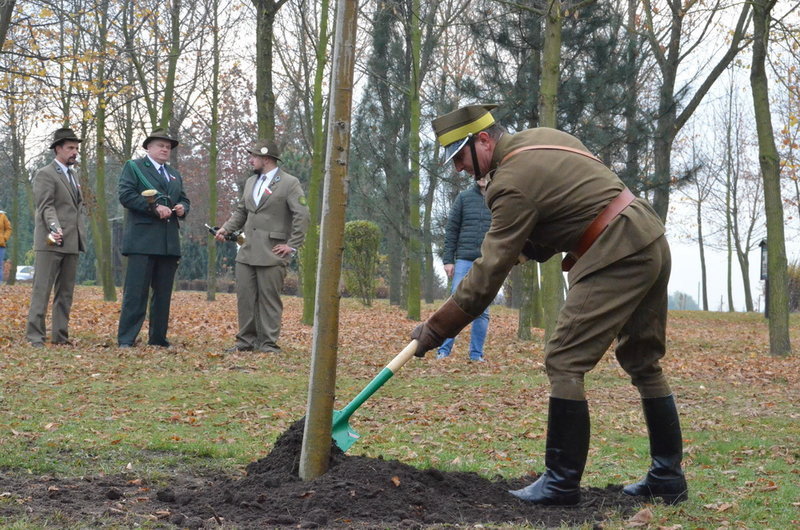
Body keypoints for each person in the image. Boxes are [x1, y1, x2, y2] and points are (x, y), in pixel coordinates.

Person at [411, 104, 688, 506]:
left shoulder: (510, 182)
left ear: (483, 140)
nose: (458, 169)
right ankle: (668, 477)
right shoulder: (544, 138)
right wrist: (528, 248)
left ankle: (561, 483)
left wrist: (437, 329)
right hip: (648, 237)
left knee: (564, 360)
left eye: (460, 157)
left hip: (615, 249)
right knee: (644, 361)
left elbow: (487, 275)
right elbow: (567, 207)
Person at [216, 140, 309, 353]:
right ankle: (245, 342)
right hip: (246, 250)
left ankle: (268, 344)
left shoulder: (289, 182)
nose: (250, 160)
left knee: (269, 300)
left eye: (253, 156)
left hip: (273, 251)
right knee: (245, 299)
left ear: (266, 159)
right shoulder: (251, 181)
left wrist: (292, 245)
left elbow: (302, 215)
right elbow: (242, 210)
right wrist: (226, 229)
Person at [117, 128, 190, 348]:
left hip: (168, 242)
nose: (165, 149)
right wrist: (154, 208)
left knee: (163, 294)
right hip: (142, 240)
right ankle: (127, 339)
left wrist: (182, 208)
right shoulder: (134, 167)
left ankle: (158, 338)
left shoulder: (174, 174)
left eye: (168, 147)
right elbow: (126, 195)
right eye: (161, 145)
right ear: (148, 147)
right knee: (136, 293)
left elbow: (185, 199)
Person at [25, 127, 87, 346]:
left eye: (76, 148)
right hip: (50, 240)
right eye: (70, 148)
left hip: (72, 241)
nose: (74, 152)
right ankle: (35, 337)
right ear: (58, 149)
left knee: (66, 293)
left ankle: (60, 337)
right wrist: (54, 227)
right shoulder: (45, 174)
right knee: (42, 291)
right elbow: (45, 206)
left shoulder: (74, 175)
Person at [436, 176, 491, 362]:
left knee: (482, 310)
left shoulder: (500, 199)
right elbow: (452, 229)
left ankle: (476, 355)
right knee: (455, 305)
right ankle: (443, 351)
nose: (483, 178)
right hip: (463, 260)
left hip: (489, 261)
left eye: (486, 174)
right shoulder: (464, 197)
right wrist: (448, 260)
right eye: (480, 175)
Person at [0, 208, 11, 284]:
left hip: (0, 244)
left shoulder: (2, 216)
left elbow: (9, 229)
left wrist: (4, 238)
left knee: (0, 265)